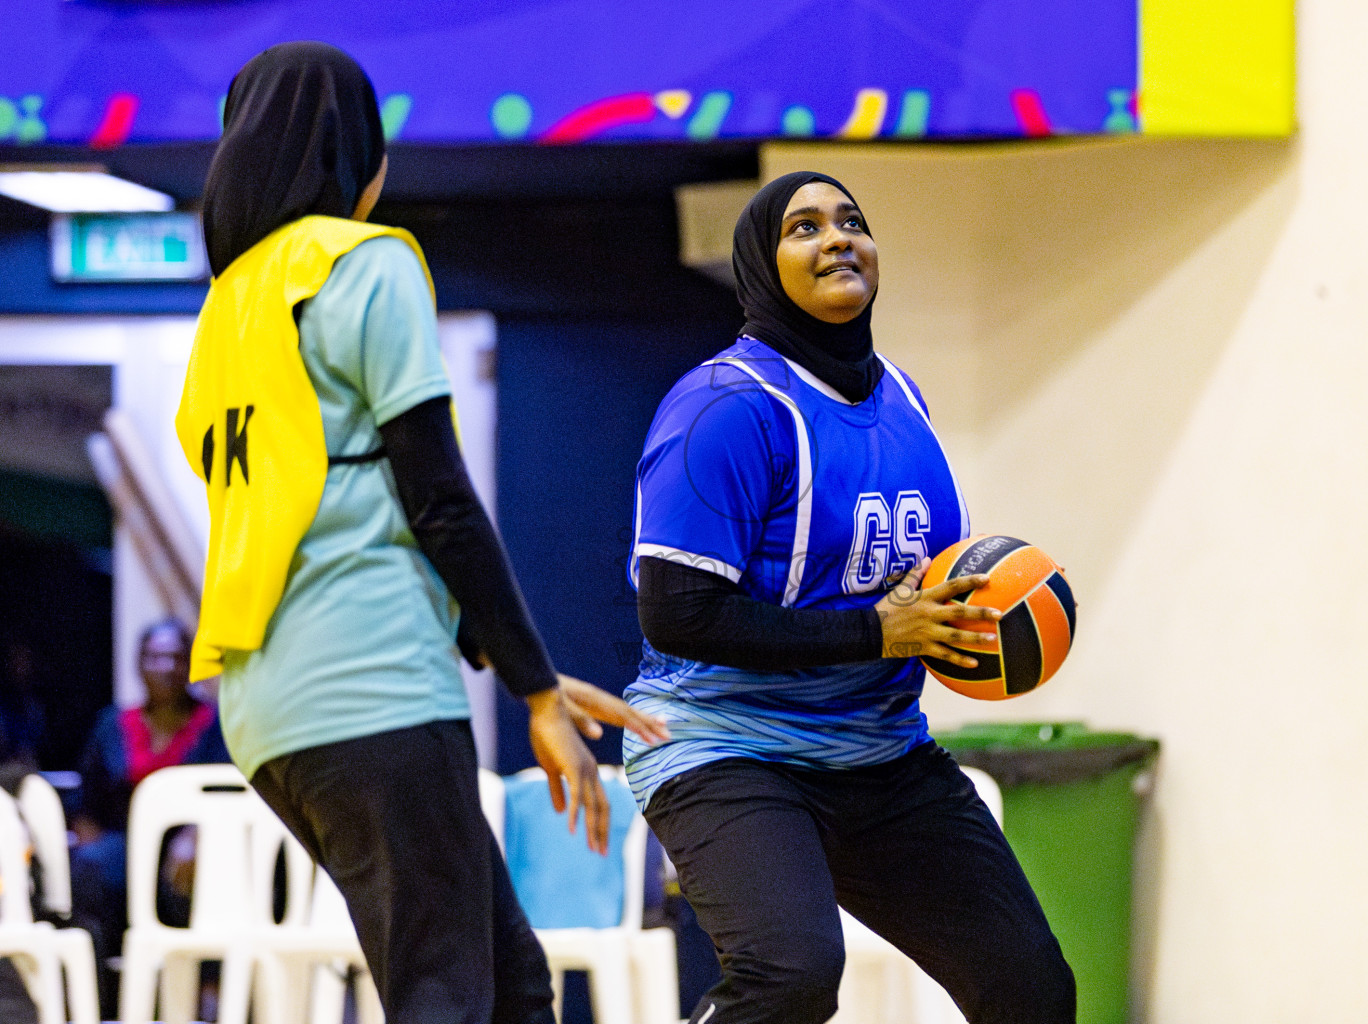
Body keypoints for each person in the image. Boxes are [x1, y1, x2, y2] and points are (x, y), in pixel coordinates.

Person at [178, 42, 666, 1024]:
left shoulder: (228, 308)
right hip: (373, 688)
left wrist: (507, 652)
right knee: (444, 993)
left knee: (513, 989)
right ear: (359, 154)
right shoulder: (364, 266)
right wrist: (533, 688)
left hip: (270, 713)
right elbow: (435, 493)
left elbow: (329, 510)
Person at [625, 172, 1077, 1024]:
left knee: (1030, 985)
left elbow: (893, 586)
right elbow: (677, 614)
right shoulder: (724, 408)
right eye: (804, 228)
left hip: (878, 752)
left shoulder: (904, 398)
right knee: (790, 978)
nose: (837, 238)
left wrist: (947, 619)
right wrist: (880, 632)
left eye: (852, 222)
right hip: (730, 748)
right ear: (763, 265)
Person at [70, 617, 229, 1014]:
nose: (167, 667)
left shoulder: (214, 725)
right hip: (125, 846)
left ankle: (202, 998)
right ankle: (98, 999)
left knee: (201, 877)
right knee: (90, 869)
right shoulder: (112, 724)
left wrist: (196, 834)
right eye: (156, 657)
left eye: (177, 658)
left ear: (190, 664)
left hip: (190, 846)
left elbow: (227, 792)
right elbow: (85, 802)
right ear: (140, 663)